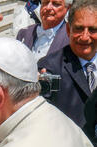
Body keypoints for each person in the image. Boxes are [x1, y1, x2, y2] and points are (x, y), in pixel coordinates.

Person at [38, 0, 96, 128]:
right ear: (68, 29)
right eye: (79, 28)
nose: (85, 37)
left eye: (92, 30)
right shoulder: (49, 67)